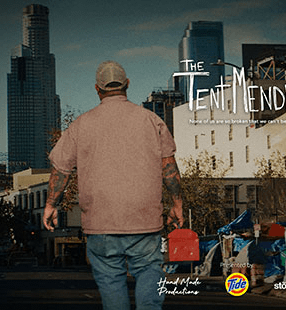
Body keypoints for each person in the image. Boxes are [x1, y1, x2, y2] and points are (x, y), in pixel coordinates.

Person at [43, 60, 184, 310]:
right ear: (127, 84)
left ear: (97, 89)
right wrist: (177, 203)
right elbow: (169, 168)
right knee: (150, 271)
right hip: (144, 220)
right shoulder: (152, 120)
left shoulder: (80, 125)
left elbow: (61, 170)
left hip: (101, 222)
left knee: (111, 282)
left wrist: (51, 205)